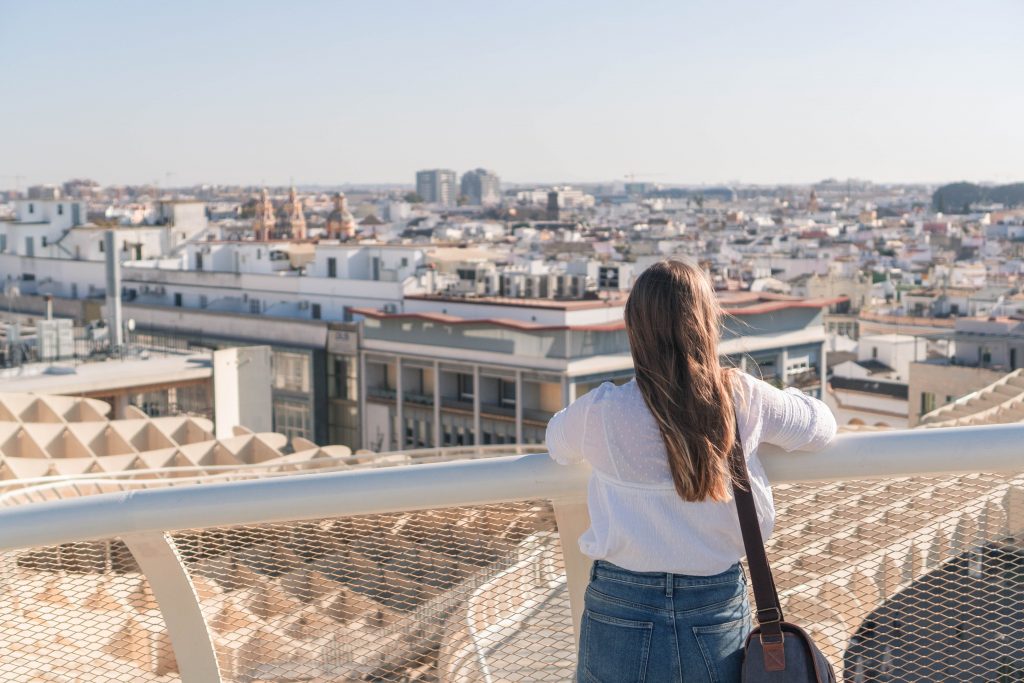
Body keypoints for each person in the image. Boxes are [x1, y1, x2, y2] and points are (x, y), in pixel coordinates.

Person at [546, 259, 837, 683]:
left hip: (619, 602)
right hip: (713, 603)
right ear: (705, 324)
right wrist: (781, 396)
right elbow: (821, 427)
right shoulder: (741, 397)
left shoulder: (604, 411)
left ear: (635, 329)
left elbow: (556, 444)